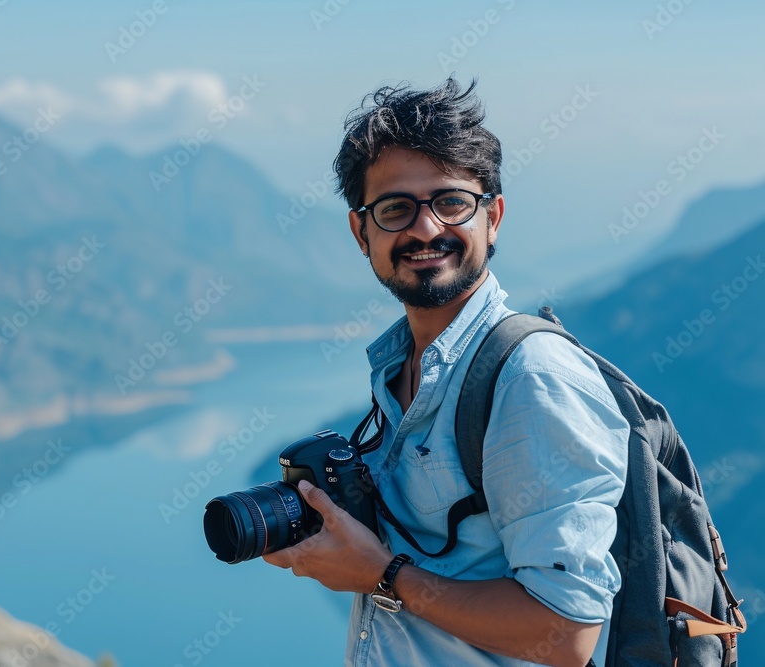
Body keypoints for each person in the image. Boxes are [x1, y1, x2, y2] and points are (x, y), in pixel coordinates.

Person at [262, 78, 630, 667]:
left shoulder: (529, 378)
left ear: (493, 217)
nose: (426, 229)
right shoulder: (402, 367)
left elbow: (567, 632)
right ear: (361, 232)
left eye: (452, 202)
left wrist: (382, 575)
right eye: (395, 209)